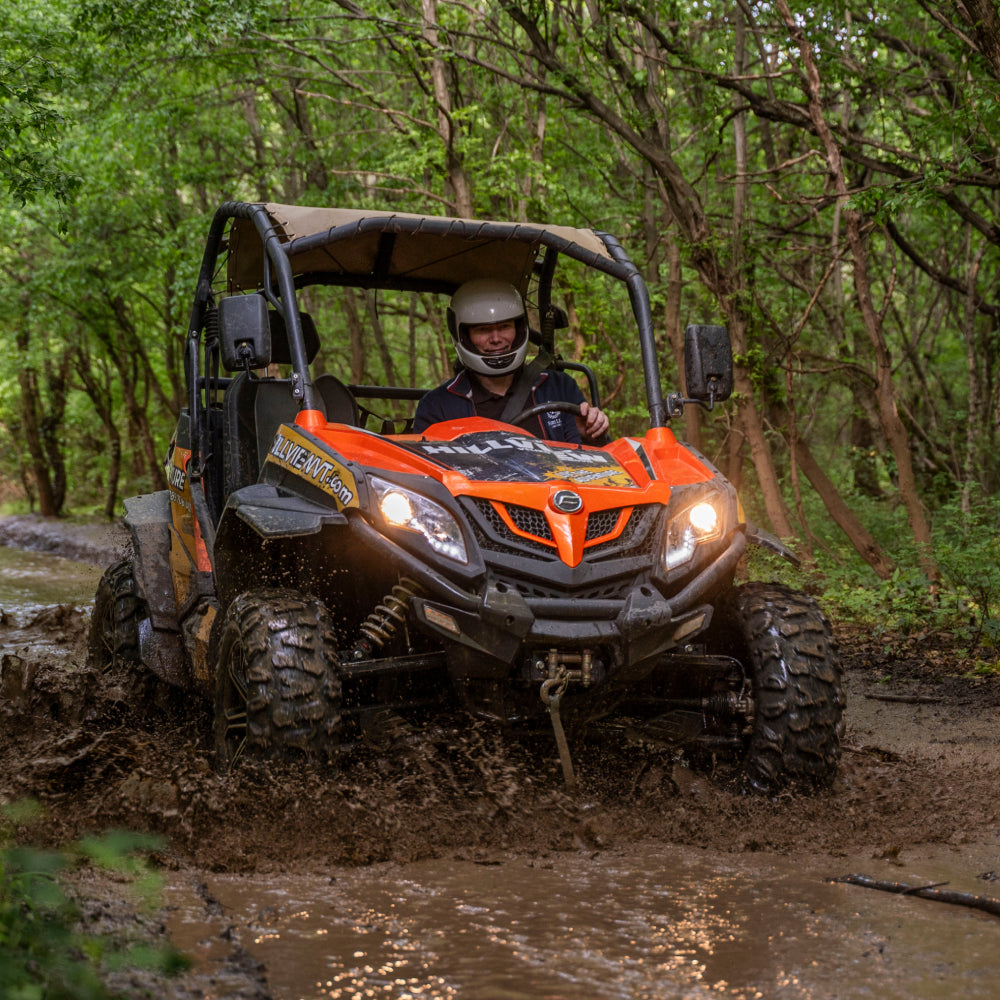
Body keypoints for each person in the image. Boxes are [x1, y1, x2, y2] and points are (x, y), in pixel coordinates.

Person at [412, 279, 609, 444]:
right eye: (483, 330)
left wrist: (590, 435)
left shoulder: (559, 387)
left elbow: (589, 466)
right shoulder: (437, 407)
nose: (496, 338)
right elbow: (430, 472)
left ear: (519, 328)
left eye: (505, 326)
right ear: (464, 335)